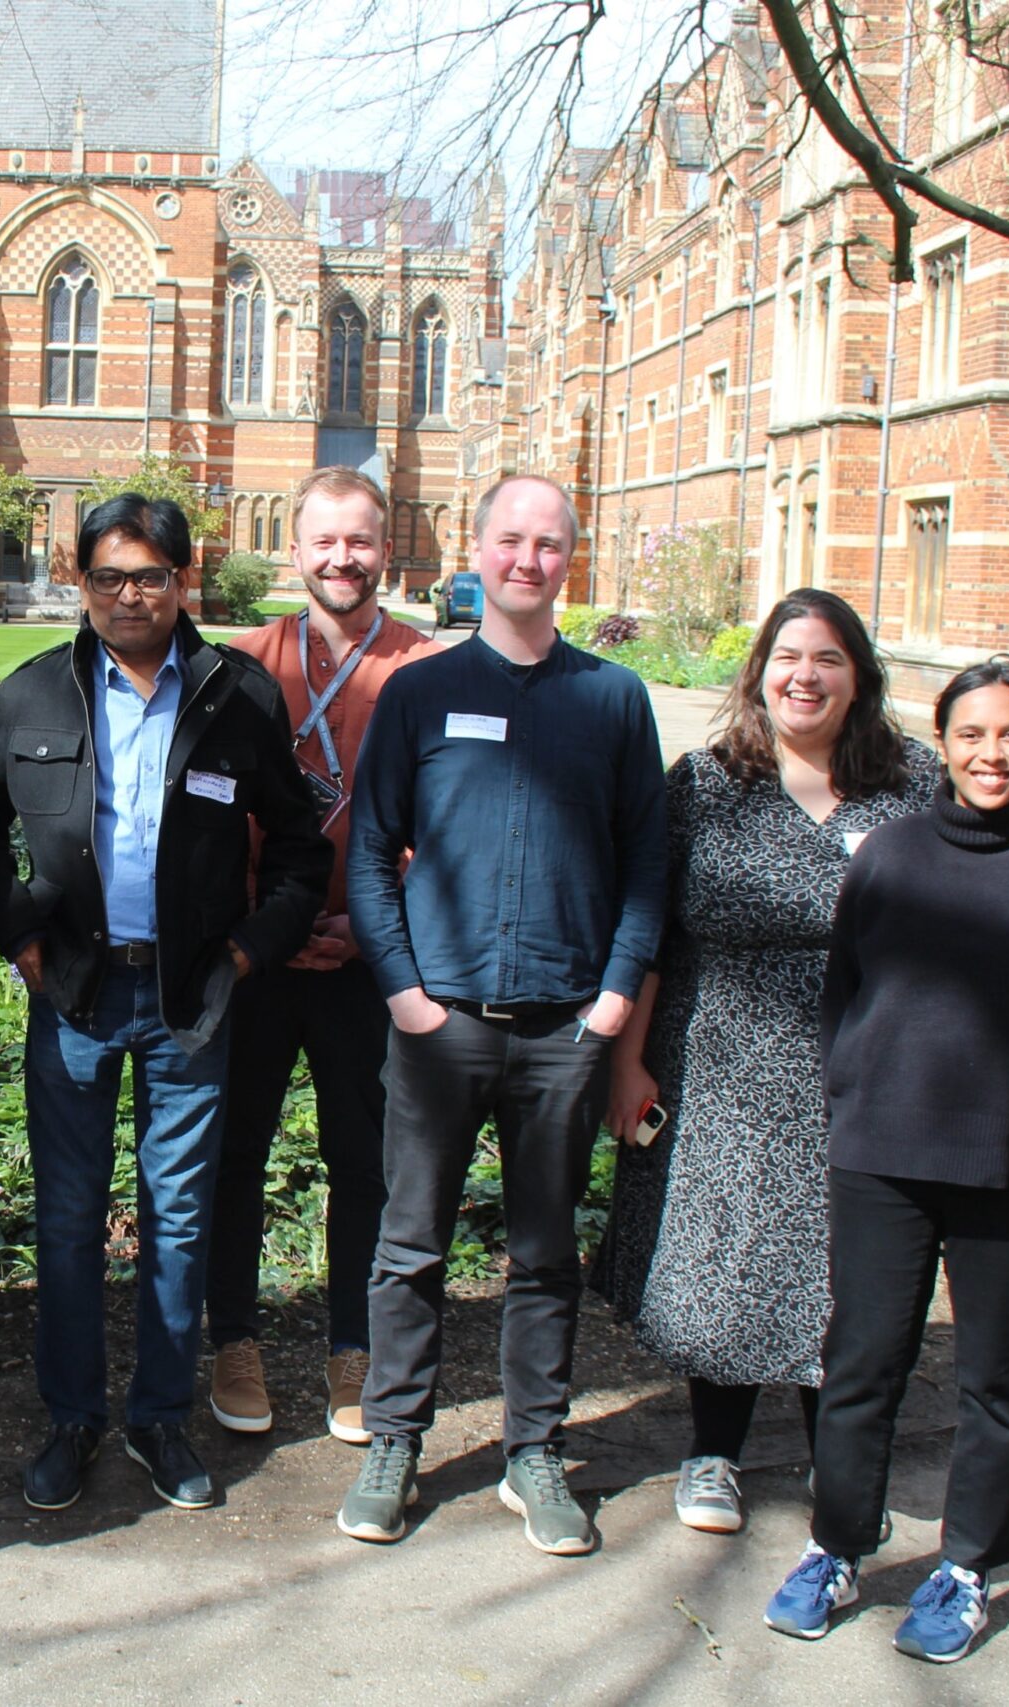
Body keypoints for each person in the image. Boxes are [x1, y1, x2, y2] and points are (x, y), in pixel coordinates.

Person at [764, 656, 1009, 1663]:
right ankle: (838, 1545)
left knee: (995, 1380)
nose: (991, 754)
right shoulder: (888, 856)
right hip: (883, 1161)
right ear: (943, 741)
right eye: (971, 734)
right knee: (859, 1366)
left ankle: (967, 1568)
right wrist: (851, 1100)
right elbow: (844, 994)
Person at [0, 494, 331, 1513]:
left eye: (150, 577)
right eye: (109, 577)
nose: (130, 595)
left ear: (184, 580)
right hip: (75, 991)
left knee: (178, 1217)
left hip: (190, 999)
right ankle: (72, 1417)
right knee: (72, 1218)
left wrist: (250, 956)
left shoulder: (236, 696)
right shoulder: (30, 696)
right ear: (77, 582)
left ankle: (159, 1419)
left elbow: (302, 850)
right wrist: (23, 942)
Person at [338, 473, 667, 1554]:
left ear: (571, 556)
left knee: (543, 1252)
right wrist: (402, 989)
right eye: (511, 541)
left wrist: (615, 996)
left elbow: (646, 866)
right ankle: (396, 1438)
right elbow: (371, 850)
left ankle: (534, 1449)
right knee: (409, 1244)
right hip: (445, 1024)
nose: (528, 560)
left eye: (549, 544)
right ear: (476, 551)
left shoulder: (612, 699)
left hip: (566, 1029)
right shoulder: (423, 692)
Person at [593, 589, 937, 1534]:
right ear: (759, 673)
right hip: (718, 1060)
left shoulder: (915, 788)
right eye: (788, 655)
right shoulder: (703, 785)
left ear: (858, 674)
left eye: (828, 657)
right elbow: (652, 931)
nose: (806, 674)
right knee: (725, 1260)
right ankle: (713, 1454)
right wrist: (628, 1061)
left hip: (866, 1068)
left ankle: (843, 1457)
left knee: (848, 1265)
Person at [204, 467, 438, 1444]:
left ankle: (354, 1349)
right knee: (235, 1156)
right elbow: (200, 819)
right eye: (324, 540)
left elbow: (449, 827)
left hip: (368, 964)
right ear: (292, 548)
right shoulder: (238, 664)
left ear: (387, 549)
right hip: (257, 960)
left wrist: (382, 925)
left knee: (365, 1164)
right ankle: (234, 1341)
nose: (342, 558)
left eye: (360, 540)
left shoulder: (428, 671)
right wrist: (264, 923)